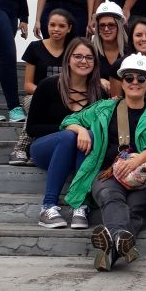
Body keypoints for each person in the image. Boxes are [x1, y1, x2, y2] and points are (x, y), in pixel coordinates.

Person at [61, 54, 146, 272]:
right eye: (129, 78)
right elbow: (69, 120)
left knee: (135, 208)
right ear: (121, 82)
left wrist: (136, 161)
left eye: (141, 79)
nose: (134, 82)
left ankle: (110, 250)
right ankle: (122, 239)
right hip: (108, 173)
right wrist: (81, 130)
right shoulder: (104, 108)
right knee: (109, 196)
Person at [27, 37, 104, 229]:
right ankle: (48, 207)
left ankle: (80, 206)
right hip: (45, 149)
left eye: (89, 57)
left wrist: (85, 132)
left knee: (92, 135)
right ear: (68, 59)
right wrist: (74, 128)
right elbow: (32, 128)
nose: (83, 61)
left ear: (95, 62)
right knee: (69, 136)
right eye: (78, 56)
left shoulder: (99, 92)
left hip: (82, 152)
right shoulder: (48, 86)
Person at [10, 8, 75, 166]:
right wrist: (46, 96)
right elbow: (28, 85)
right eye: (52, 25)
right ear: (47, 26)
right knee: (36, 104)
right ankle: (21, 148)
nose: (56, 29)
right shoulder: (35, 48)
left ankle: (38, 149)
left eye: (61, 26)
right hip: (35, 96)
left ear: (69, 28)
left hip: (66, 98)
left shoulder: (73, 51)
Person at [91, 0, 128, 96]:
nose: (106, 29)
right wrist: (97, 81)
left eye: (111, 25)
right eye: (102, 25)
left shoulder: (130, 51)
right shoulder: (90, 51)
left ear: (119, 26)